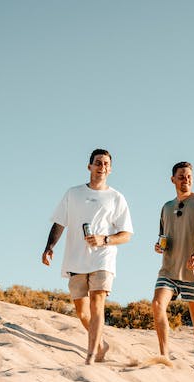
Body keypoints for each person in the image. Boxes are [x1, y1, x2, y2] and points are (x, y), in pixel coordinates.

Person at [42, 148, 133, 365]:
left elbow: (126, 234)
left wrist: (105, 240)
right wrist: (49, 247)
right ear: (89, 166)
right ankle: (101, 344)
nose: (102, 167)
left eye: (106, 164)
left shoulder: (116, 197)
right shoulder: (73, 193)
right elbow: (60, 222)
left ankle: (91, 355)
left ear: (110, 169)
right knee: (82, 312)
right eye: (98, 163)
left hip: (103, 258)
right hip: (75, 260)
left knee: (97, 303)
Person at [152, 161, 194, 370]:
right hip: (169, 268)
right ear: (172, 180)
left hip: (193, 270)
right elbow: (165, 236)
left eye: (189, 176)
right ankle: (164, 355)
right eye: (181, 176)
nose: (185, 180)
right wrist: (159, 245)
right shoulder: (167, 207)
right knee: (157, 305)